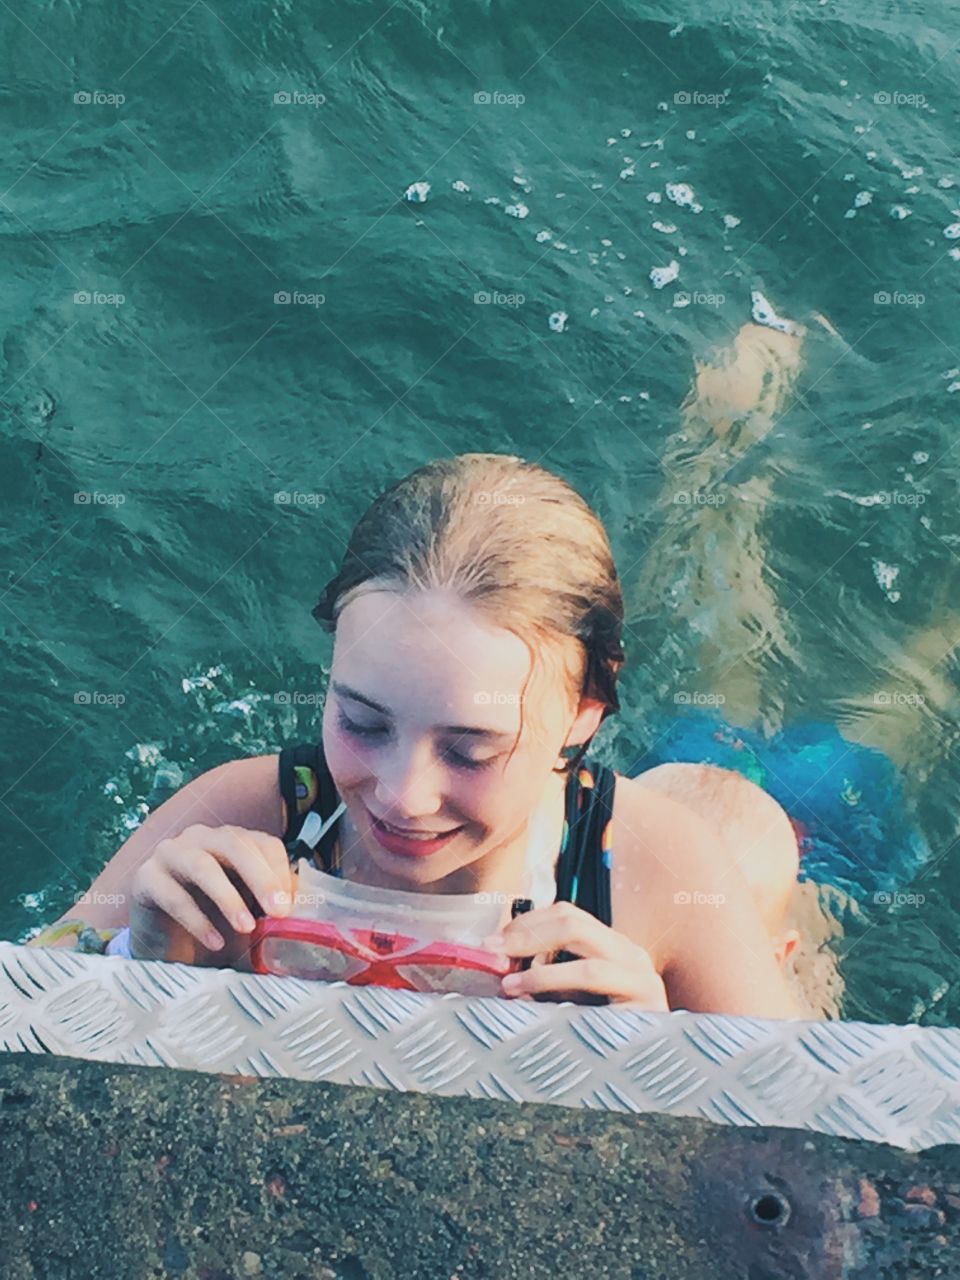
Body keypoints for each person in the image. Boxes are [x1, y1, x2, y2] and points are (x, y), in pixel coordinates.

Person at [32, 452, 806, 1018]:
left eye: (471, 749)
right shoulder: (248, 808)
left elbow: (803, 1139)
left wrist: (652, 1050)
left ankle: (739, 464)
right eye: (362, 722)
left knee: (762, 832)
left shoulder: (660, 868)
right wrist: (142, 957)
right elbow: (29, 997)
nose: (403, 795)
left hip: (728, 834)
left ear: (582, 718)